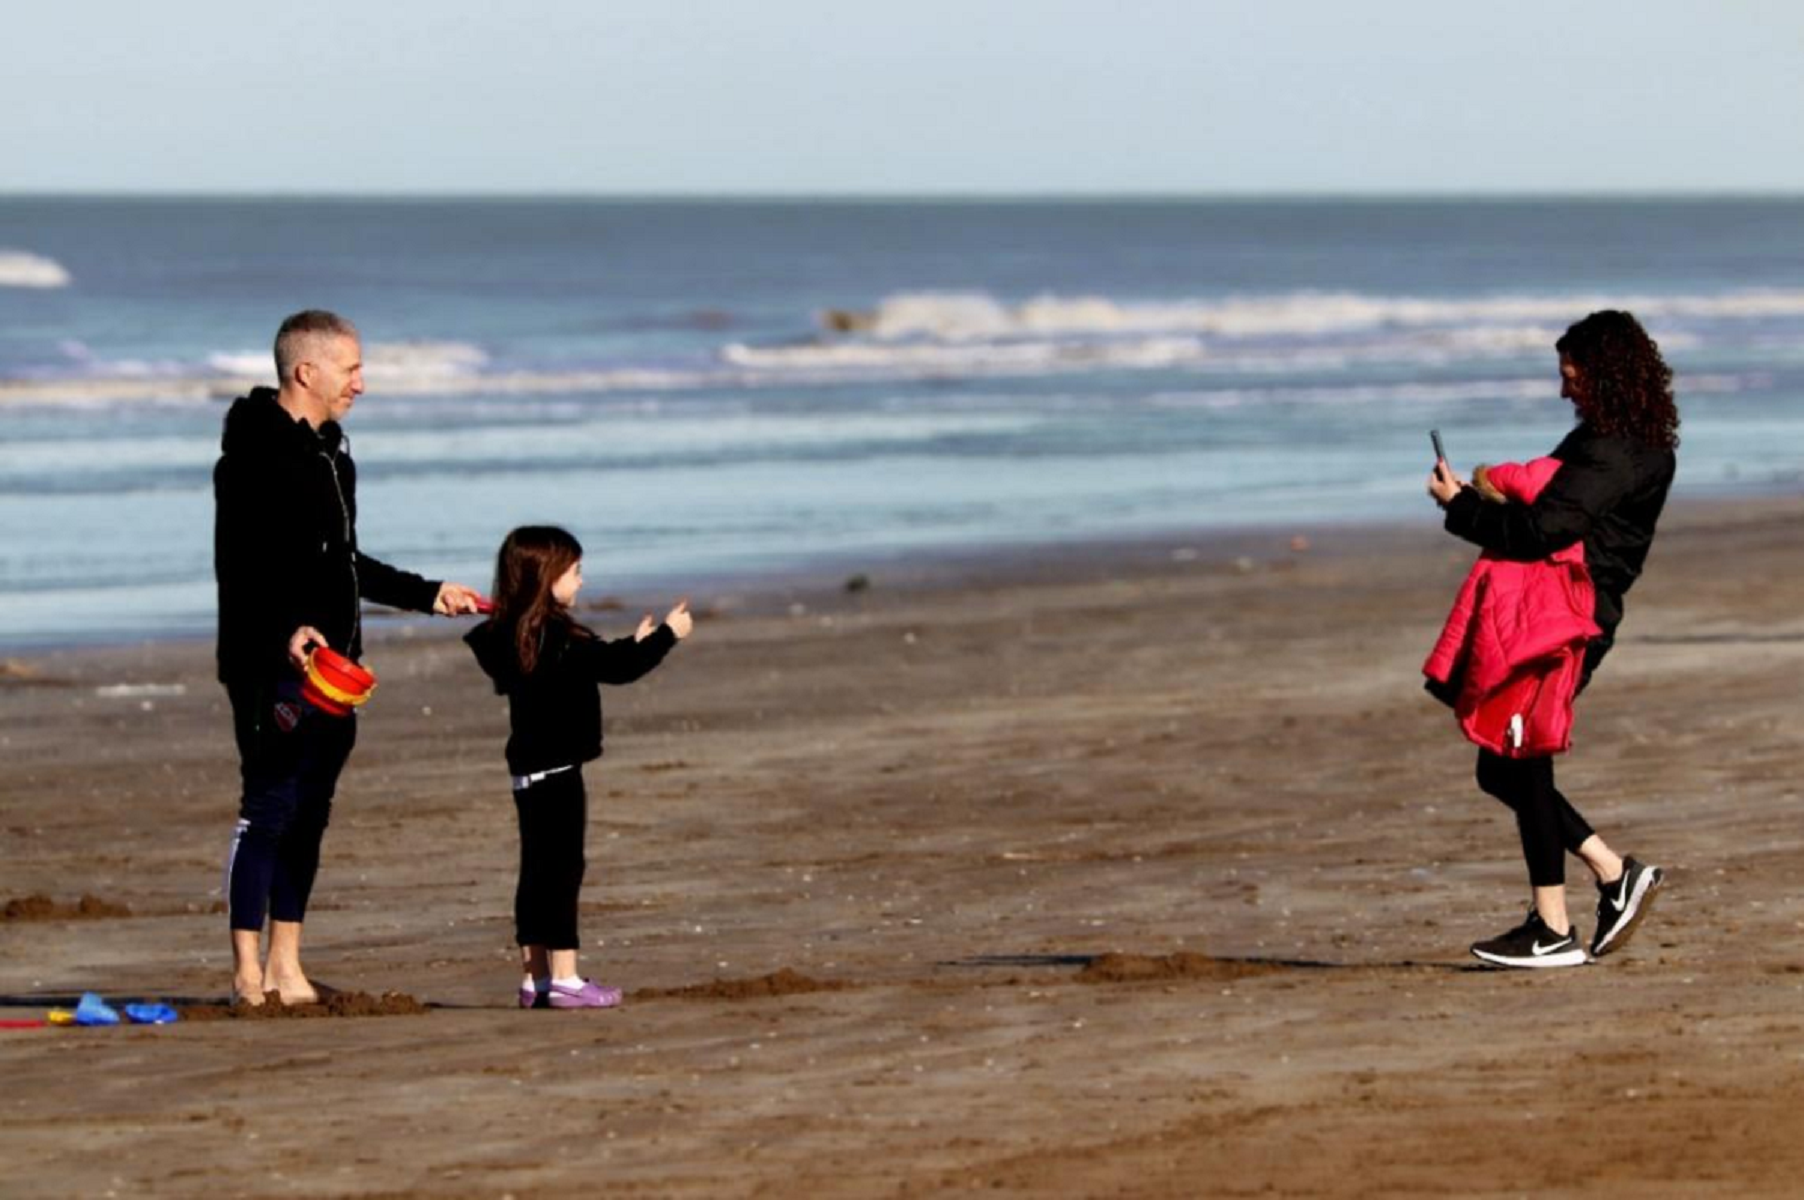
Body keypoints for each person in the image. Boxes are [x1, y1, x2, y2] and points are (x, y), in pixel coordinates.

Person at [215, 309, 482, 1005]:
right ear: (307, 371)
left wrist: (430, 594)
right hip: (269, 663)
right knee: (268, 807)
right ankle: (246, 972)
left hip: (338, 668)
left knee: (312, 811)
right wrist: (286, 630)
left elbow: (344, 562)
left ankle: (287, 963)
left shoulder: (335, 455)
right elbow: (242, 566)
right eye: (352, 368)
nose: (362, 383)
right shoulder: (251, 453)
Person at [1426, 310, 1678, 969]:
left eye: (1570, 377)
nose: (1564, 391)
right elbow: (1544, 511)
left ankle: (1553, 927)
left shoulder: (1616, 451)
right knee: (1503, 764)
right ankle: (1611, 874)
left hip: (1566, 620)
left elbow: (1544, 530)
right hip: (1568, 614)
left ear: (1605, 374)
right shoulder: (1612, 440)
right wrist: (1480, 494)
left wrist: (1459, 509)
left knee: (1519, 760)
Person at [463, 526, 693, 1009]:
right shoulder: (556, 637)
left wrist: (637, 642)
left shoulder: (512, 635)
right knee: (563, 870)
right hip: (559, 772)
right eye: (575, 572)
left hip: (527, 773)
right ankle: (565, 976)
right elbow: (618, 666)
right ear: (546, 578)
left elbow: (607, 659)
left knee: (535, 871)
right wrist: (668, 635)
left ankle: (536, 978)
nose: (582, 582)